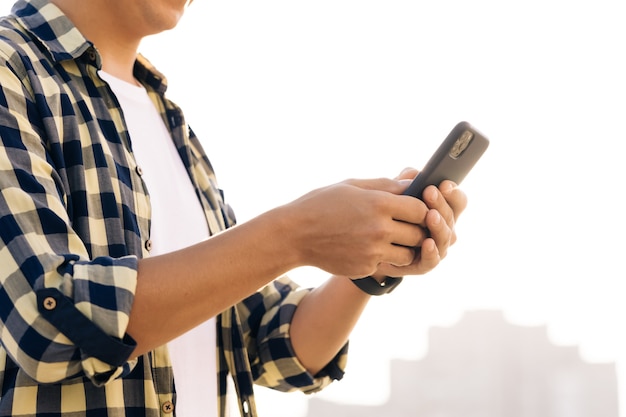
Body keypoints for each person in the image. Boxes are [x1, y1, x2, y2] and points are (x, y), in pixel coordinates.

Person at [0, 1, 468, 416]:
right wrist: (295, 233)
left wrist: (368, 258)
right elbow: (47, 321)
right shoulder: (11, 69)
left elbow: (267, 341)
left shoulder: (166, 116)